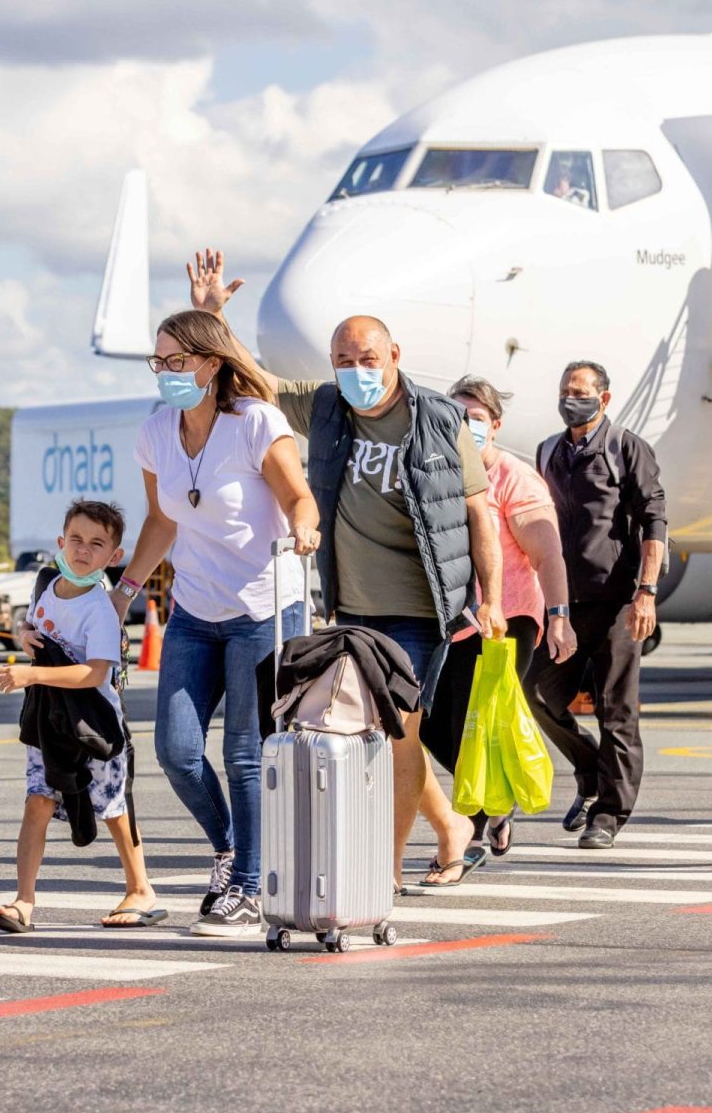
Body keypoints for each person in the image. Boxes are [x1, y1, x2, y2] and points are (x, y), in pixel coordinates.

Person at [187, 252, 507, 892]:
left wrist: (491, 598)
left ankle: (384, 870)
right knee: (375, 733)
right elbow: (259, 381)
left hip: (420, 607)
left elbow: (479, 514)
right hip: (352, 607)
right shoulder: (328, 408)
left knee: (397, 734)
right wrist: (214, 317)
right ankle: (451, 827)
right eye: (343, 360)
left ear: (394, 356)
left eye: (367, 358)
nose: (356, 370)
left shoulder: (439, 419)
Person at [117, 301, 318, 935]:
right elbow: (161, 521)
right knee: (176, 751)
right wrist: (124, 590)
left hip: (264, 606)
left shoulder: (255, 422)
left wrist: (304, 527)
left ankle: (252, 888)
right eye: (158, 362)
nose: (166, 373)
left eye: (176, 361)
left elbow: (299, 497)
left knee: (243, 753)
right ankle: (231, 851)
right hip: (194, 611)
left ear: (210, 363)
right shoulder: (156, 434)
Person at [0, 500, 161, 933]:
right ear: (60, 542)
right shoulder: (47, 586)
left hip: (93, 725)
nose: (83, 550)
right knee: (38, 801)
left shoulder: (100, 610)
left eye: (97, 544)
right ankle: (23, 901)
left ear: (114, 556)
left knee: (114, 808)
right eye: (77, 539)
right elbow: (33, 626)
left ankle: (140, 887)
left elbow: (95, 673)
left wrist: (31, 674)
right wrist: (25, 636)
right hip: (49, 722)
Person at [424, 376, 575, 857]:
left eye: (476, 418)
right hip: (450, 619)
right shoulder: (437, 473)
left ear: (495, 425)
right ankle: (496, 801)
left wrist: (559, 616)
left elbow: (547, 554)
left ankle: (466, 838)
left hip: (505, 620)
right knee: (426, 722)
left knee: (474, 724)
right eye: (457, 417)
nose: (466, 427)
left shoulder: (513, 477)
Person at [527, 362, 667, 849]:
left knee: (615, 710)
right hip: (562, 604)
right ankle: (589, 767)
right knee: (536, 690)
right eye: (565, 391)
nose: (571, 400)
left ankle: (609, 813)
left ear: (603, 399)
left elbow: (654, 521)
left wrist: (646, 592)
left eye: (580, 392)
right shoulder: (548, 450)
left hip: (617, 603)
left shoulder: (626, 447)